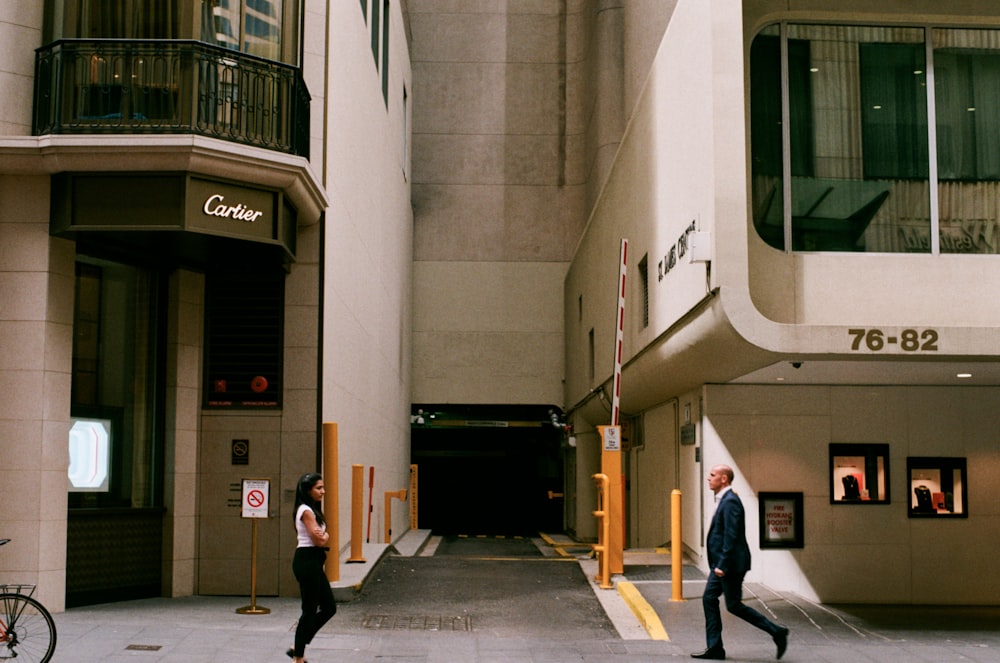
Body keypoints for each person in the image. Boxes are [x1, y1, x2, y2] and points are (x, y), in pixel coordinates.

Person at [692, 464, 789, 661]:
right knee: (710, 599)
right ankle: (715, 647)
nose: (708, 478)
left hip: (729, 565)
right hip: (721, 564)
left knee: (733, 605)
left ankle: (777, 631)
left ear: (724, 479)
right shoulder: (723, 499)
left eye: (712, 475)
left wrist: (723, 565)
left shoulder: (731, 502)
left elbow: (732, 536)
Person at [288, 473, 337, 663]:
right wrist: (325, 536)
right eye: (319, 488)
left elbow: (320, 536)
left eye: (323, 487)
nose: (323, 491)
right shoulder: (306, 510)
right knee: (309, 610)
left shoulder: (311, 510)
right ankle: (298, 657)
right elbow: (318, 539)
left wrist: (324, 535)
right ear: (307, 490)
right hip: (307, 560)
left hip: (313, 561)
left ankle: (298, 645)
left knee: (329, 607)